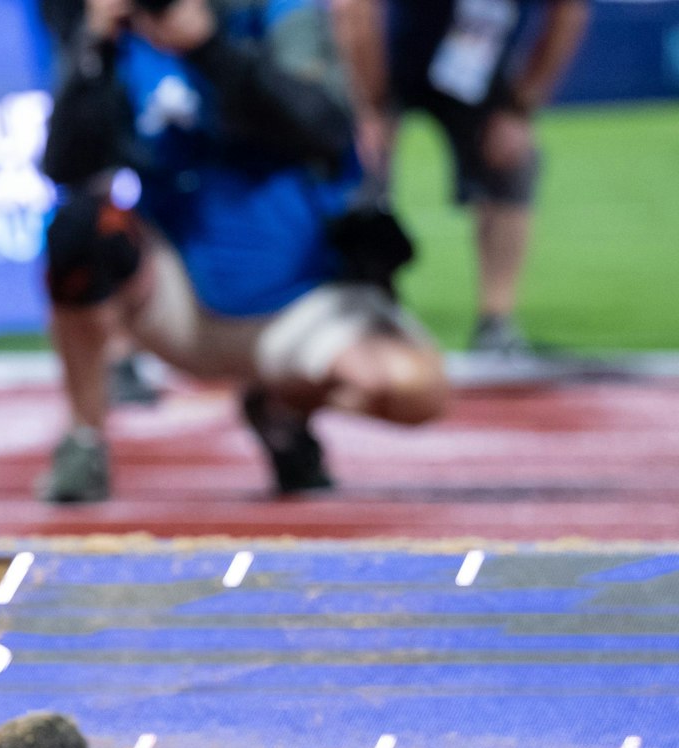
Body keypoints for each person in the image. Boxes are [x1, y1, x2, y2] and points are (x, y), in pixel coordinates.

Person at [36, 0, 448, 503]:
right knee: (79, 230)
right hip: (178, 298)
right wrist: (95, 49)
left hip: (301, 301)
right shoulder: (125, 38)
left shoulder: (282, 15)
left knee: (412, 388)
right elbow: (64, 167)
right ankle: (84, 440)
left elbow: (324, 127)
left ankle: (280, 407)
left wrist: (209, 49)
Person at [332, 0, 590, 355]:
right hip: (391, 55)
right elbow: (352, 9)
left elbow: (568, 12)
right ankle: (356, 312)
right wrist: (368, 108)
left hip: (474, 65)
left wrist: (520, 108)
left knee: (515, 161)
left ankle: (497, 327)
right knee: (354, 161)